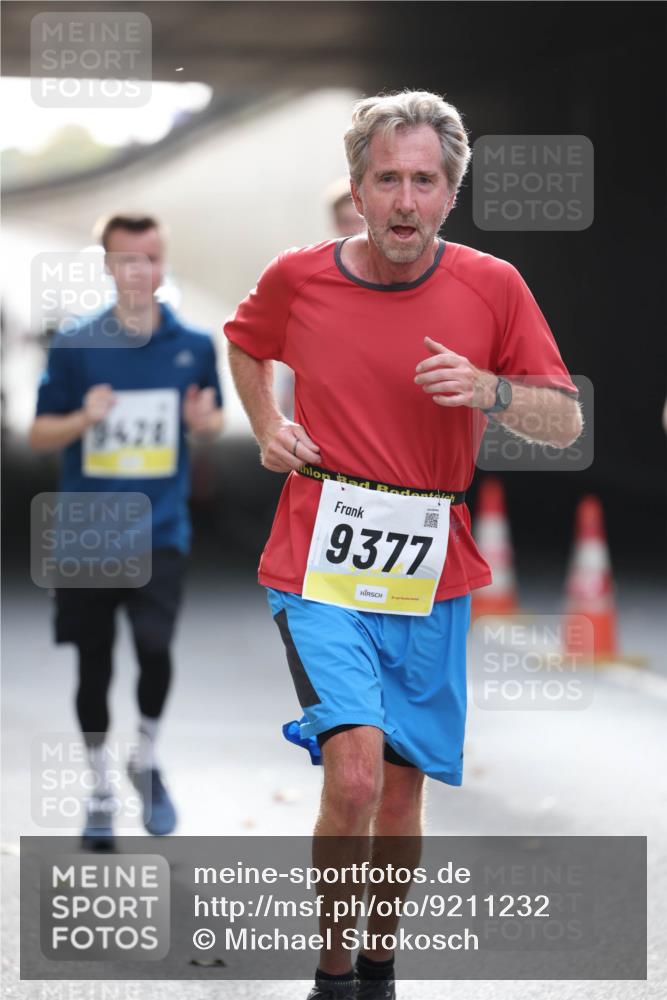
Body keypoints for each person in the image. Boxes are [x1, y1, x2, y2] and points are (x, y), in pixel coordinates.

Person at [225, 90, 581, 1000]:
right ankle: (332, 973)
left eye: (424, 181)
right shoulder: (298, 278)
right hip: (318, 557)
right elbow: (245, 342)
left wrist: (489, 391)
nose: (405, 201)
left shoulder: (492, 287)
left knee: (400, 793)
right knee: (351, 777)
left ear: (449, 194)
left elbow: (562, 421)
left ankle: (377, 966)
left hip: (430, 565)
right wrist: (268, 424)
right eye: (387, 179)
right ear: (357, 186)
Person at [29, 214, 224, 850]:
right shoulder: (77, 345)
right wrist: (83, 416)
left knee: (155, 647)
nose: (143, 271)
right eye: (129, 260)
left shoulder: (193, 343)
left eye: (153, 259)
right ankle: (100, 790)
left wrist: (202, 422)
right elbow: (38, 434)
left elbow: (213, 422)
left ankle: (145, 754)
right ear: (109, 266)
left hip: (160, 528)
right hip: (88, 530)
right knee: (92, 668)